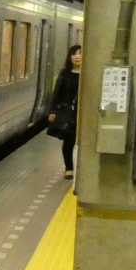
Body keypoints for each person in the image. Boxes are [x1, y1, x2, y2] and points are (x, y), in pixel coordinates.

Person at [48, 45, 81, 178]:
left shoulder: (89, 73)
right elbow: (57, 93)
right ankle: (69, 168)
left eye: (80, 53)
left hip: (84, 113)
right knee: (69, 141)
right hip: (69, 113)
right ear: (70, 57)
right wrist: (53, 111)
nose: (77, 57)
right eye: (74, 54)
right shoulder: (65, 74)